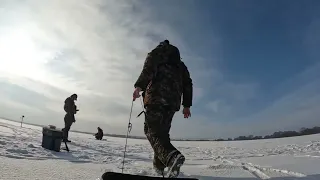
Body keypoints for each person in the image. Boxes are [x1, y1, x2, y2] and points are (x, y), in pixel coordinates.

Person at [132, 40, 193, 178]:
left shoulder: (156, 54)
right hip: (172, 102)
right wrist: (187, 105)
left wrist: (139, 86)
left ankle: (172, 157)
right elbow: (188, 84)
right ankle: (159, 168)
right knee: (161, 134)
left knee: (151, 131)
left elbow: (148, 69)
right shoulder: (180, 65)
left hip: (156, 97)